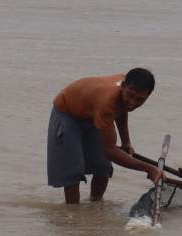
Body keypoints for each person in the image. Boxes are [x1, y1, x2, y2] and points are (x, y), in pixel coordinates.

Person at [47, 68, 163, 204]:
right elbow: (110, 151)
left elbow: (122, 108)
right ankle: (73, 213)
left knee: (103, 166)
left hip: (92, 112)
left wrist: (126, 142)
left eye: (140, 99)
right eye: (130, 95)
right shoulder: (107, 103)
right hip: (67, 112)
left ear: (148, 96)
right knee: (73, 171)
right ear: (123, 86)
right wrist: (148, 168)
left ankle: (95, 205)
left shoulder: (124, 87)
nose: (133, 102)